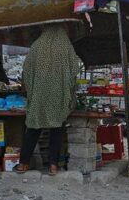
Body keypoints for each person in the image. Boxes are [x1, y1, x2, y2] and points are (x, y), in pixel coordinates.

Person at [15, 24, 80, 175]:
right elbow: (74, 70)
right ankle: (53, 166)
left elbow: (27, 70)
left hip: (39, 95)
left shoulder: (37, 45)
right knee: (56, 130)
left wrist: (32, 91)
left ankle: (23, 163)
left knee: (33, 128)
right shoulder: (66, 46)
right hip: (58, 95)